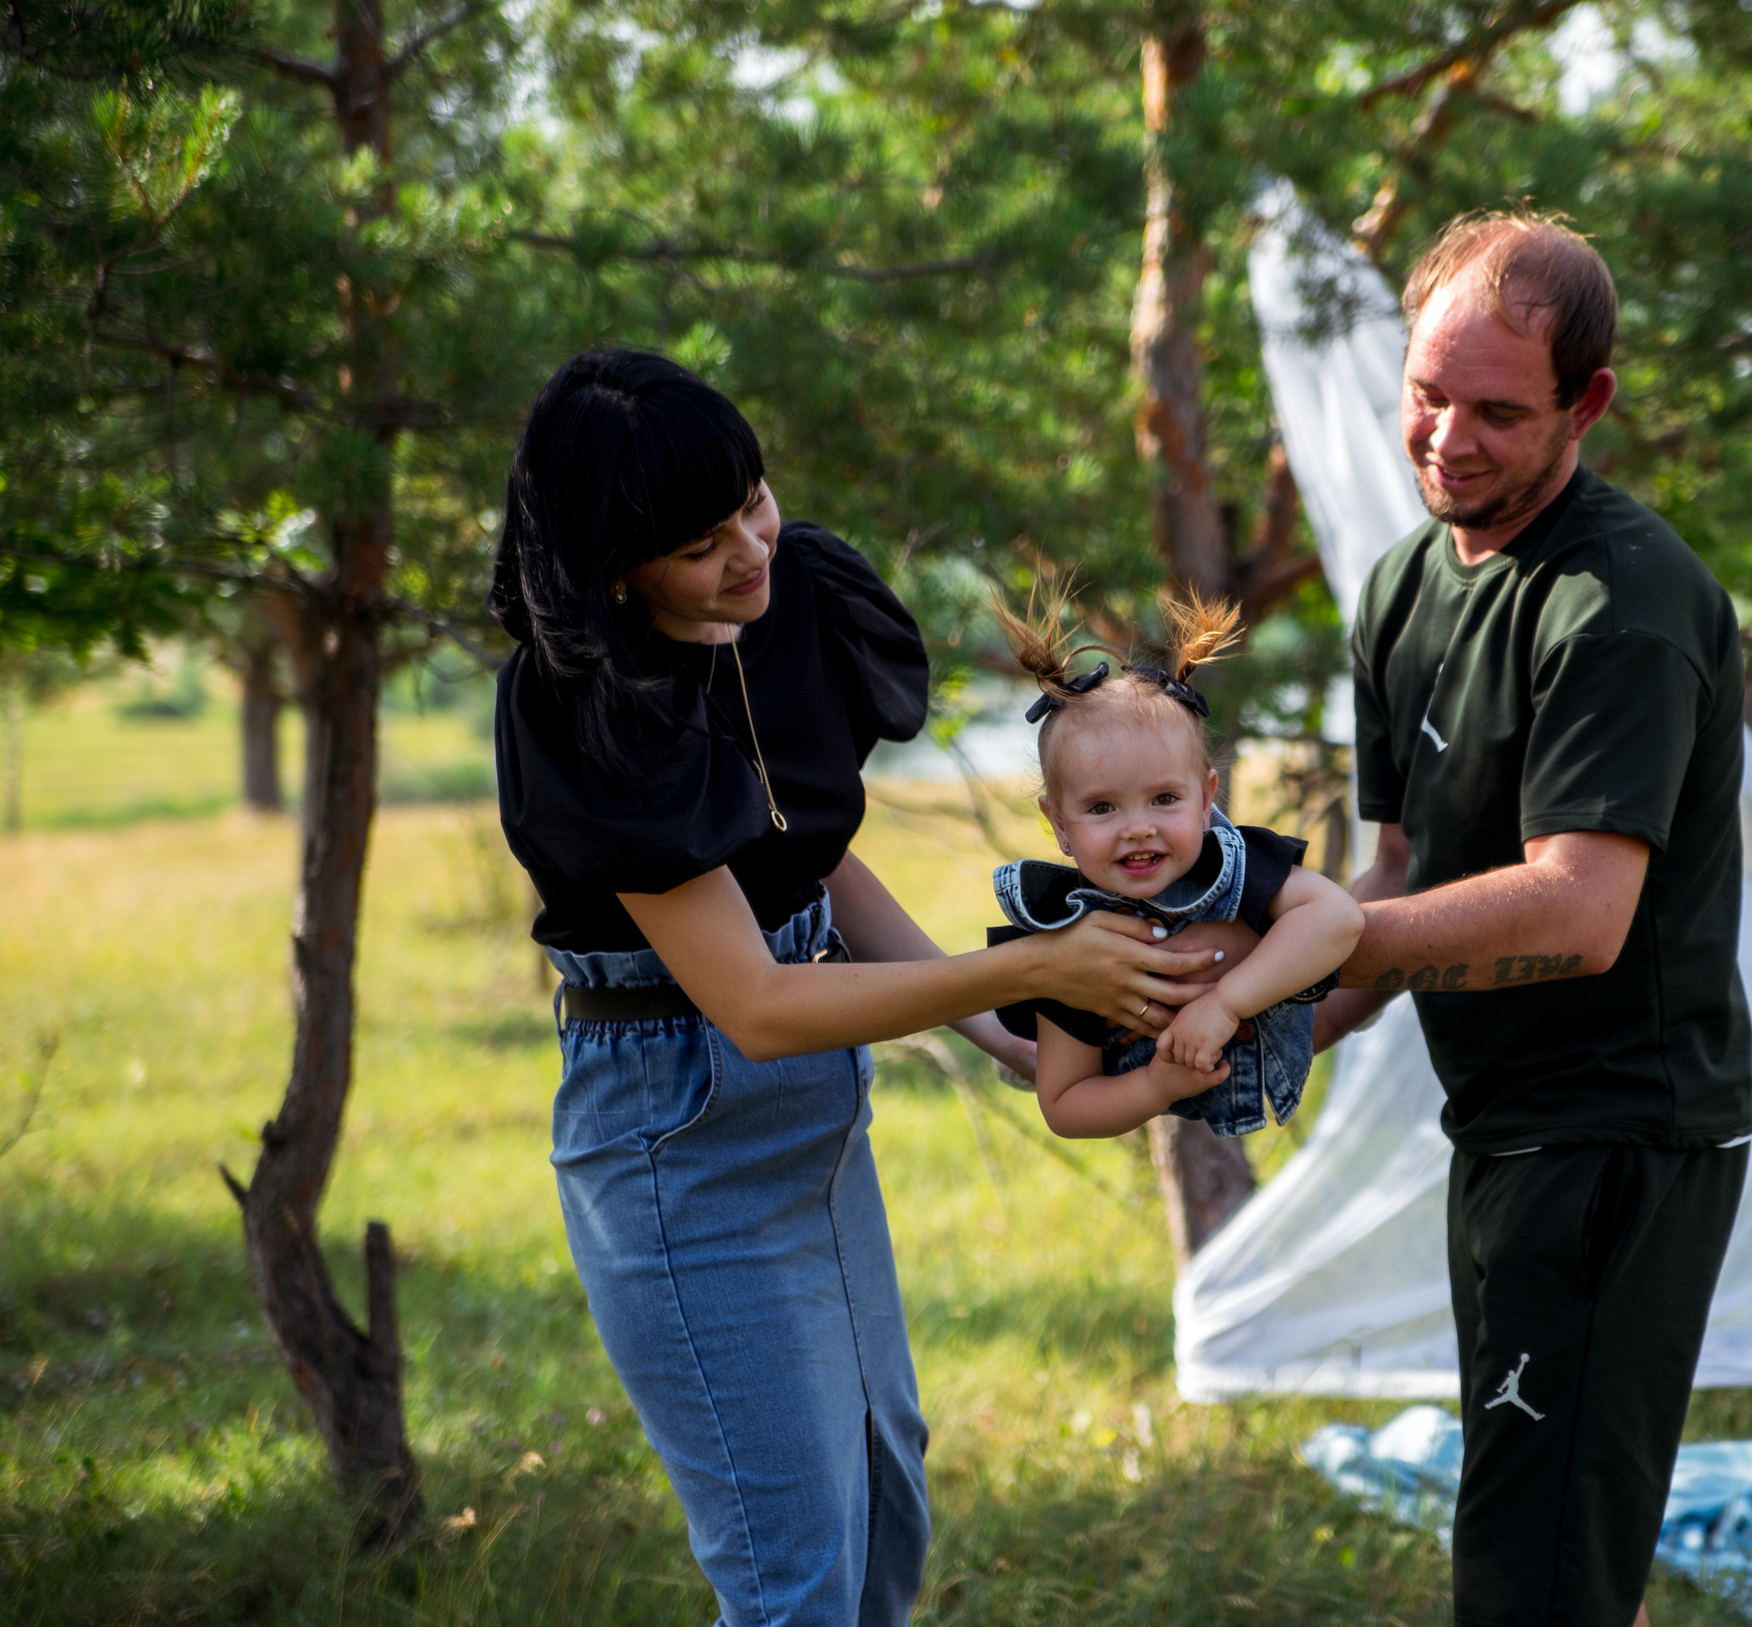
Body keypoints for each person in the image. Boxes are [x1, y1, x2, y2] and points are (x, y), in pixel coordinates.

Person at [487, 348, 1216, 1627]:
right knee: (795, 1580)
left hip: (815, 1123)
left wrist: (1005, 1027)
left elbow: (805, 863)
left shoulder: (784, 604)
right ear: (616, 567)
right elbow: (758, 1003)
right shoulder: (583, 712)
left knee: (882, 1518)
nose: (752, 549)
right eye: (702, 542)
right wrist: (1029, 963)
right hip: (680, 1138)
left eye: (753, 501)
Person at [1311, 211, 1752, 1626]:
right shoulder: (1399, 590)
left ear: (1590, 405)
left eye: (1499, 412)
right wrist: (1236, 1021)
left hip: (1622, 1133)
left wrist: (1333, 948)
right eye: (1427, 395)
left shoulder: (1619, 604)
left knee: (1536, 1565)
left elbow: (1579, 910)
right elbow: (1395, 879)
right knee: (1539, 1533)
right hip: (1496, 1123)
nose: (1448, 437)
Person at [979, 591, 1365, 1139]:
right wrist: (1155, 1087)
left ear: (1207, 799)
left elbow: (1337, 918)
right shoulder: (1060, 934)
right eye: (1102, 807)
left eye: (1164, 799)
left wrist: (1228, 1003)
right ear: (1058, 823)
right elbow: (1066, 1105)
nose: (1138, 827)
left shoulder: (1230, 867)